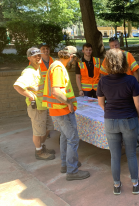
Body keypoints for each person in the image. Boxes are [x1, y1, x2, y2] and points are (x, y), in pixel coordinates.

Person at [97, 48, 139, 195]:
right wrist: (138, 116)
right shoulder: (131, 80)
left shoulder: (102, 81)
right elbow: (138, 104)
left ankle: (116, 186)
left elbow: (101, 103)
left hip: (110, 120)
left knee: (114, 155)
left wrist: (109, 111)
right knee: (131, 154)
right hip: (129, 119)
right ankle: (135, 184)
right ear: (123, 62)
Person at [42, 46, 90, 181]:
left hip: (57, 109)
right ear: (71, 57)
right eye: (74, 60)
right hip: (63, 109)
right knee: (73, 138)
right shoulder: (58, 68)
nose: (74, 63)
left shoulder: (55, 66)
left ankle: (66, 164)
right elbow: (56, 91)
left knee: (64, 136)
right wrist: (69, 103)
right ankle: (72, 170)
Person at [13, 47, 55, 160]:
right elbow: (17, 86)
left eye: (39, 55)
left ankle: (41, 146)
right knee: (38, 131)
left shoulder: (38, 69)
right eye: (35, 56)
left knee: (48, 128)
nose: (38, 57)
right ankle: (39, 152)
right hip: (36, 107)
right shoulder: (29, 71)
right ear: (29, 58)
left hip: (44, 105)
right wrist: (30, 96)